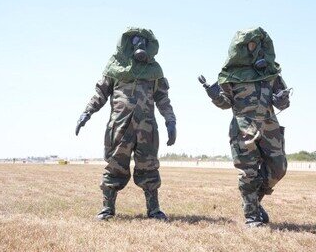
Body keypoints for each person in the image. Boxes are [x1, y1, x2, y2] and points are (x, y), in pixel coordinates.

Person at [76, 27, 176, 221]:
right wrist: (86, 113)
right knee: (114, 166)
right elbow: (100, 94)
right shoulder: (115, 68)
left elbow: (163, 99)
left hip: (146, 130)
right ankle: (107, 209)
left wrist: (170, 121)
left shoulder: (154, 70)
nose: (139, 45)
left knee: (149, 168)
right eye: (135, 41)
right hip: (120, 127)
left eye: (143, 42)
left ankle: (154, 210)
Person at [200, 27, 290, 227]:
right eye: (250, 45)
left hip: (270, 127)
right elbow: (225, 104)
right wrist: (213, 94)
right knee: (248, 172)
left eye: (259, 45)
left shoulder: (271, 72)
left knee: (279, 168)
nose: (255, 49)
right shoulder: (230, 75)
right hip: (243, 128)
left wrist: (282, 98)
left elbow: (283, 103)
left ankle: (254, 202)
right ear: (240, 48)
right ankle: (251, 216)